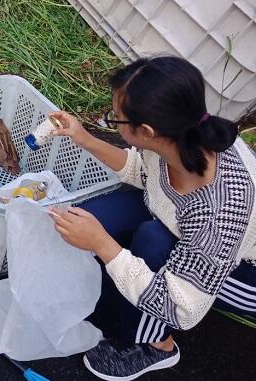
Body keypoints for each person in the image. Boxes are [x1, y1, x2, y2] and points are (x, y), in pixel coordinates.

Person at [48, 56, 256, 381]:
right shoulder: (183, 131)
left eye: (115, 120)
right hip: (187, 227)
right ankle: (125, 283)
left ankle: (157, 347)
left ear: (146, 131)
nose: (111, 122)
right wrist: (84, 137)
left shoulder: (218, 214)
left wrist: (104, 246)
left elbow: (181, 306)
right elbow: (144, 174)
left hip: (242, 272)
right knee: (94, 218)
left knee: (152, 240)